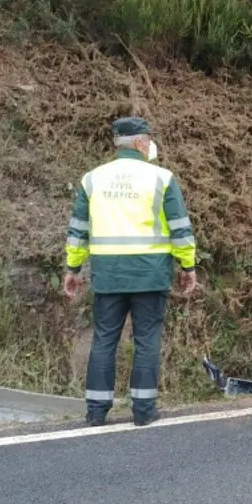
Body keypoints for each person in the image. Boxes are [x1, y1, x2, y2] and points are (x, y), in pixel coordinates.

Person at [63, 117, 198, 427]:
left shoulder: (93, 179)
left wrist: (73, 268)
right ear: (139, 142)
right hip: (149, 273)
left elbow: (78, 230)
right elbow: (180, 228)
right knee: (147, 339)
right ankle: (143, 409)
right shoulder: (161, 178)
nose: (150, 143)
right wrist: (187, 265)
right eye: (148, 138)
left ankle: (96, 411)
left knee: (104, 339)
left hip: (108, 273)